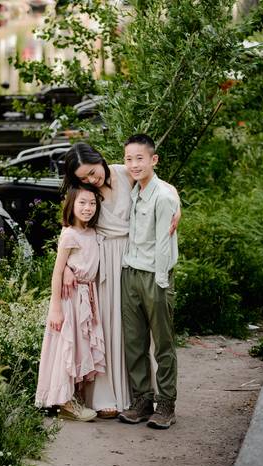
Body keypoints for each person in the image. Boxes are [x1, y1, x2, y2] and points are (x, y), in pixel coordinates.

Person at [60, 142, 180, 419]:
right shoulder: (85, 192)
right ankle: (107, 395)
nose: (92, 180)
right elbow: (70, 224)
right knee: (107, 325)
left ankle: (144, 397)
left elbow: (166, 189)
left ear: (99, 160)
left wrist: (178, 211)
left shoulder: (125, 172)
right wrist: (66, 265)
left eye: (92, 172)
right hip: (102, 259)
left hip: (134, 256)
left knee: (136, 332)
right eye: (84, 178)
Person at [117, 134, 179, 429]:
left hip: (156, 276)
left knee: (163, 343)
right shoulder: (134, 189)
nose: (133, 164)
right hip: (130, 273)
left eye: (139, 158)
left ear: (154, 159)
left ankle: (166, 404)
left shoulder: (164, 196)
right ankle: (142, 400)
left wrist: (163, 282)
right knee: (134, 341)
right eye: (128, 159)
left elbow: (164, 243)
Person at [35, 185, 106, 422]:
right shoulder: (69, 234)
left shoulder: (93, 232)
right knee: (66, 346)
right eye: (82, 203)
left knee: (80, 346)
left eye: (92, 203)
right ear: (71, 206)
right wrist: (55, 308)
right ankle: (64, 401)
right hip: (70, 299)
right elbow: (56, 273)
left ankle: (74, 397)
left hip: (87, 296)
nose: (87, 208)